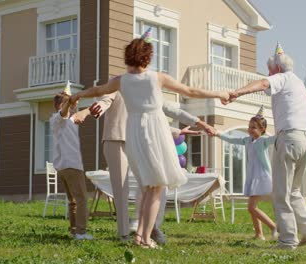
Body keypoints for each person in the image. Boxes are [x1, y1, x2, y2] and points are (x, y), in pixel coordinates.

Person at [70, 27, 229, 249]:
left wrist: (79, 94)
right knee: (157, 186)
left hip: (134, 130)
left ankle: (139, 236)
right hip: (154, 131)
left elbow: (98, 90)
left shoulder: (121, 80)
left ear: (129, 56)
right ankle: (144, 237)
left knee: (148, 186)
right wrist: (218, 94)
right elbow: (190, 91)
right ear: (148, 57)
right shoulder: (157, 78)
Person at [73, 95, 213, 244]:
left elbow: (156, 115)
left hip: (139, 141)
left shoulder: (145, 89)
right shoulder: (118, 85)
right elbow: (104, 102)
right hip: (116, 140)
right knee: (121, 189)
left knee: (153, 185)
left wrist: (179, 130)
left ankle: (151, 228)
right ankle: (124, 234)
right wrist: (88, 112)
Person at [222, 43, 306, 250]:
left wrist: (236, 93)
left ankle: (287, 240)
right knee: (293, 191)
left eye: (270, 69)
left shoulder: (282, 77)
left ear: (276, 68)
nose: (268, 72)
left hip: (289, 138)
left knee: (281, 193)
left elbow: (263, 84)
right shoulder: (298, 83)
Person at [216, 106, 278, 240]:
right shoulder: (247, 141)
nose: (250, 129)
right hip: (252, 177)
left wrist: (285, 131)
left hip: (261, 177)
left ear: (262, 130)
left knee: (251, 207)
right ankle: (259, 234)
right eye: (249, 126)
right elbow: (231, 139)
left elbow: (274, 139)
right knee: (252, 207)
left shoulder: (262, 141)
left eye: (254, 127)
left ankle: (274, 227)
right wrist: (218, 134)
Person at [50, 92, 93, 240]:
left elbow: (78, 115)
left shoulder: (69, 120)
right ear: (62, 105)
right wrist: (70, 100)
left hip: (64, 166)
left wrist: (89, 109)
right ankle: (81, 233)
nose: (74, 106)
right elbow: (65, 111)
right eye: (71, 103)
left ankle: (74, 230)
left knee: (73, 201)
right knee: (82, 199)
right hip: (71, 166)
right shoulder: (58, 119)